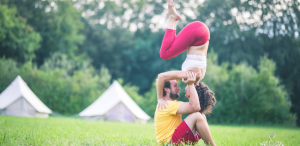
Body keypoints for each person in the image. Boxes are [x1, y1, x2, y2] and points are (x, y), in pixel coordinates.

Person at [154, 71, 217, 145]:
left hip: (174, 141)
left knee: (201, 115)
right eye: (175, 86)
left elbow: (195, 106)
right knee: (197, 116)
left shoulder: (172, 104)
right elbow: (195, 107)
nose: (179, 88)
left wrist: (191, 79)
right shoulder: (167, 105)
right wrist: (190, 84)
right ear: (167, 89)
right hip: (170, 144)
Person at [158, 0, 210, 84]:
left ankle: (172, 17)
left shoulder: (191, 75)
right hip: (198, 33)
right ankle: (172, 17)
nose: (186, 94)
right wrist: (160, 96)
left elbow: (170, 80)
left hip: (199, 34)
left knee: (167, 50)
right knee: (164, 54)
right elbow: (163, 77)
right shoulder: (196, 75)